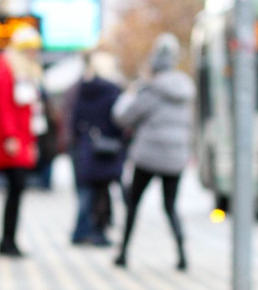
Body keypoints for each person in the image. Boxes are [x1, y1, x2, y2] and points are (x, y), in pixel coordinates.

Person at [112, 33, 196, 271]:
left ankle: (123, 253)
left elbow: (124, 117)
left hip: (148, 156)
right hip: (176, 157)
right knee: (170, 207)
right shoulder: (185, 89)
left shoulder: (151, 89)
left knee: (133, 203)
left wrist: (128, 96)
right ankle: (182, 255)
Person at [0, 25, 46, 257]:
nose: (34, 54)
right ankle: (7, 241)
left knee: (17, 189)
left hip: (20, 138)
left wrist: (30, 141)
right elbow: (3, 106)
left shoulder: (25, 71)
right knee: (15, 188)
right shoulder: (5, 67)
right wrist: (11, 137)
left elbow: (30, 112)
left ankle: (9, 240)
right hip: (9, 138)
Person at [67, 50, 125, 246]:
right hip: (107, 146)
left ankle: (82, 230)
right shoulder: (113, 90)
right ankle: (95, 231)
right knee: (101, 190)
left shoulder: (83, 88)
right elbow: (119, 120)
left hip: (86, 144)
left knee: (86, 190)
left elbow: (75, 119)